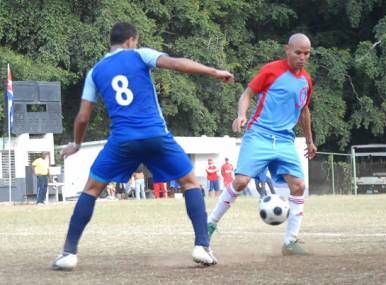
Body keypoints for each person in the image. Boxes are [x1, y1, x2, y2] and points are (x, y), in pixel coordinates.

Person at [52, 21, 234, 270]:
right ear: (131, 40)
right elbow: (176, 64)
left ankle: (68, 254)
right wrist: (213, 71)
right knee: (190, 183)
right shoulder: (140, 55)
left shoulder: (95, 71)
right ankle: (202, 246)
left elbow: (83, 116)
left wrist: (77, 143)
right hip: (155, 136)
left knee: (91, 189)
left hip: (121, 140)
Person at [207, 33, 317, 256]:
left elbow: (304, 110)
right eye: (298, 52)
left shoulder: (306, 80)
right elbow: (247, 93)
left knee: (299, 186)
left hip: (285, 140)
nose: (302, 57)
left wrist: (310, 140)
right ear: (287, 49)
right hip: (259, 134)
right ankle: (209, 225)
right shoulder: (271, 70)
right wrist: (241, 115)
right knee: (240, 181)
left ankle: (290, 242)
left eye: (306, 53)